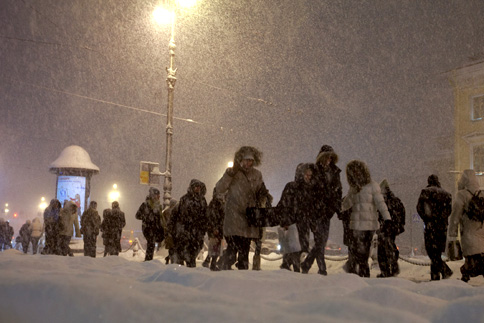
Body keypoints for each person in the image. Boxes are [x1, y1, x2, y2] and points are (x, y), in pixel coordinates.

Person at [216, 146, 268, 270]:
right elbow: (219, 188)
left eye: (250, 160)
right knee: (232, 250)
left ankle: (242, 280)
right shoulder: (233, 172)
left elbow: (261, 192)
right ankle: (222, 269)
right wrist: (229, 175)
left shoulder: (257, 174)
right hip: (233, 218)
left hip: (248, 218)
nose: (248, 163)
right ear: (241, 160)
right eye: (246, 160)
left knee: (244, 253)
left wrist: (263, 194)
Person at [342, 160, 391, 277]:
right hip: (355, 226)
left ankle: (364, 275)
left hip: (368, 226)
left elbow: (381, 204)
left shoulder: (373, 186)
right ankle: (362, 275)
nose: (356, 174)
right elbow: (346, 204)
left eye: (357, 171)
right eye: (353, 172)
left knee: (363, 254)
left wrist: (387, 218)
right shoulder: (353, 188)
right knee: (358, 253)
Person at [301, 145, 342, 275]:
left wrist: (335, 207)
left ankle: (307, 263)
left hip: (328, 212)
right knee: (320, 240)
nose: (328, 160)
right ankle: (322, 269)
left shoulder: (335, 172)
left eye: (330, 157)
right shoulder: (314, 170)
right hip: (315, 211)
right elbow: (309, 190)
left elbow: (338, 192)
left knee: (322, 241)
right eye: (326, 157)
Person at [277, 163, 317, 271]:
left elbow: (311, 208)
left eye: (310, 175)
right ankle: (292, 269)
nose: (308, 177)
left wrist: (313, 223)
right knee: (293, 248)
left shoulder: (310, 189)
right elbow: (284, 204)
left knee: (300, 248)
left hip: (304, 224)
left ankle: (290, 268)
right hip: (292, 223)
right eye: (306, 175)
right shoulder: (291, 187)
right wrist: (284, 220)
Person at [448, 169, 484, 283]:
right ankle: (466, 278)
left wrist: (452, 233)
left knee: (471, 260)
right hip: (481, 232)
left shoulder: (462, 195)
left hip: (469, 233)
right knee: (479, 258)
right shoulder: (482, 194)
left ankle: (464, 281)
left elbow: (455, 216)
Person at [416, 174, 453, 281]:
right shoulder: (446, 194)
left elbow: (419, 208)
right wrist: (441, 219)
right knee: (437, 252)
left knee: (432, 252)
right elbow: (448, 211)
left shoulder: (426, 192)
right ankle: (435, 275)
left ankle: (444, 271)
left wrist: (427, 218)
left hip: (430, 227)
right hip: (442, 227)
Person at [168, 179, 208, 267]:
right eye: (196, 187)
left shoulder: (202, 201)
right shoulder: (184, 199)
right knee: (185, 257)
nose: (198, 189)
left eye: (199, 187)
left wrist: (203, 229)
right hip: (185, 233)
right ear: (192, 187)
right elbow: (177, 215)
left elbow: (205, 216)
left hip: (196, 234)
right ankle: (184, 275)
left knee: (192, 256)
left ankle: (189, 275)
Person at [377, 179, 406, 278]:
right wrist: (400, 225)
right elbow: (402, 213)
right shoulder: (396, 200)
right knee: (390, 246)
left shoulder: (382, 201)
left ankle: (386, 270)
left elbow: (379, 214)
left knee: (382, 250)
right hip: (393, 228)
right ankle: (393, 267)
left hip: (384, 228)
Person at [135, 187, 164, 261]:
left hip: (156, 228)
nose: (159, 197)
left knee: (152, 243)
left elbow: (159, 217)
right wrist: (147, 217)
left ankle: (149, 260)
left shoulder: (158, 206)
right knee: (151, 243)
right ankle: (148, 260)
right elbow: (137, 215)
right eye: (158, 195)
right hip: (148, 228)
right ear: (153, 195)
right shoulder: (145, 205)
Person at [203, 189, 225, 271]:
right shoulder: (215, 204)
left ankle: (208, 262)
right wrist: (214, 228)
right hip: (215, 230)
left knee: (215, 247)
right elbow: (212, 217)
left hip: (217, 229)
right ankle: (212, 264)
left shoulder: (218, 203)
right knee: (215, 247)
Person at [161, 199, 177, 264]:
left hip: (168, 232)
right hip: (174, 232)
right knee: (175, 247)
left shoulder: (165, 212)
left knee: (171, 248)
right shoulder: (176, 212)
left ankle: (169, 258)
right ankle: (172, 259)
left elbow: (163, 222)